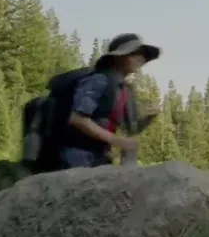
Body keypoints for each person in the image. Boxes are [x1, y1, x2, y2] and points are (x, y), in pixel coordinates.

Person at [58, 33, 161, 170]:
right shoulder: (99, 80)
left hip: (101, 156)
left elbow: (132, 129)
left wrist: (149, 117)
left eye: (143, 55)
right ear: (119, 57)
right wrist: (116, 140)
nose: (141, 58)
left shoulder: (125, 89)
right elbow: (78, 118)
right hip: (78, 153)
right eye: (134, 54)